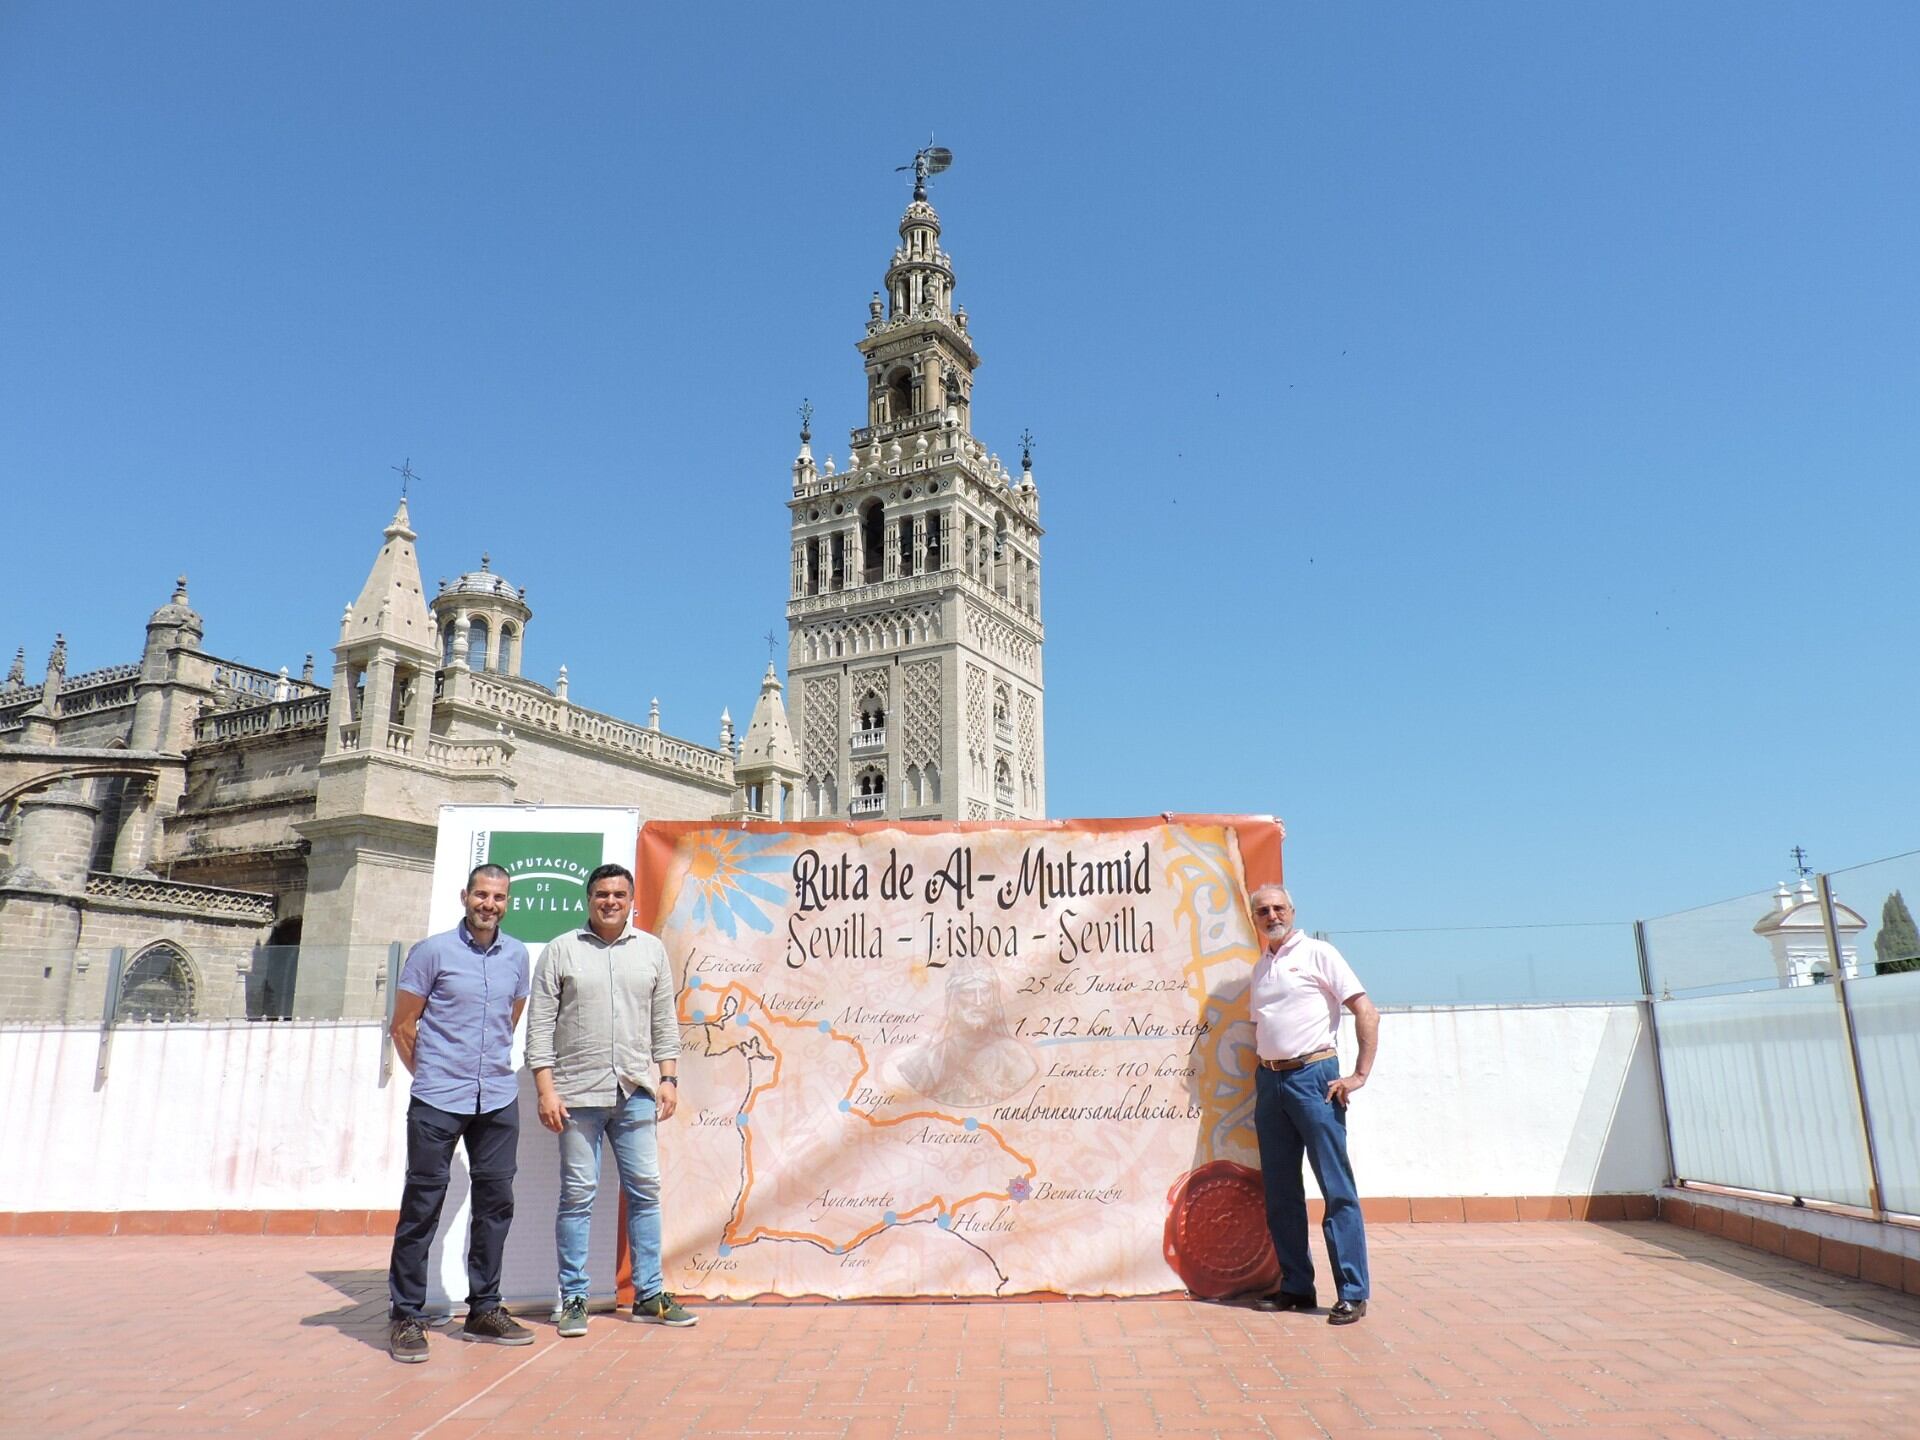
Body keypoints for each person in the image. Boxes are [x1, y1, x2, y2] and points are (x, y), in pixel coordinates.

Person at [526, 862, 695, 1336]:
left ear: (631, 900)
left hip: (636, 1092)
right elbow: (538, 1028)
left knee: (645, 1192)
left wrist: (669, 1079)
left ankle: (649, 1295)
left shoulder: (652, 951)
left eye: (619, 895)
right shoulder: (562, 951)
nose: (610, 902)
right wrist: (545, 1089)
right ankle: (574, 1297)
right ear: (589, 898)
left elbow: (664, 1020)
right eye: (602, 894)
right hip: (577, 1094)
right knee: (578, 1196)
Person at [386, 863, 535, 1363]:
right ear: (465, 897)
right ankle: (407, 1314)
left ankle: (483, 1309)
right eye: (481, 895)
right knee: (422, 1206)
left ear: (506, 903)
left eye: (498, 897)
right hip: (437, 1099)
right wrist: (431, 1076)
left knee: (496, 1206)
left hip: (496, 1096)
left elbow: (509, 1019)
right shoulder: (433, 952)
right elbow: (404, 1026)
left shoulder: (516, 955)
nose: (488, 904)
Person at [1245, 883, 1380, 1325]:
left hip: (1314, 1078)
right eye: (1263, 910)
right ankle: (1297, 1286)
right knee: (1281, 1193)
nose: (1271, 915)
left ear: (1293, 910)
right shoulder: (1260, 968)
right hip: (1271, 1082)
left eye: (1278, 907)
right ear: (1255, 918)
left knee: (1335, 1187)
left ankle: (1353, 1292)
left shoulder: (1319, 953)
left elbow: (1366, 1010)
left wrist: (1358, 1075)